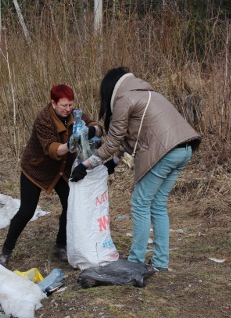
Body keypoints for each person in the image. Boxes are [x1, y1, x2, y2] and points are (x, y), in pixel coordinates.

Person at [70, 67, 201, 271]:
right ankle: (160, 263)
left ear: (110, 88)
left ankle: (135, 261)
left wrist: (85, 166)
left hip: (165, 151)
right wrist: (112, 162)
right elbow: (130, 141)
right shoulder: (146, 93)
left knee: (140, 203)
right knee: (157, 204)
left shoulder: (125, 99)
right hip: (184, 148)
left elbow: (112, 143)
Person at [0, 84, 102, 267]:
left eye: (70, 105)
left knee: (70, 206)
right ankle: (6, 251)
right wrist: (72, 143)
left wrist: (90, 130)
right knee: (27, 211)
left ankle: (60, 245)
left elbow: (97, 127)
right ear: (53, 103)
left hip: (62, 171)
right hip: (37, 169)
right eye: (64, 106)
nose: (68, 109)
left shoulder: (75, 115)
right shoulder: (43, 119)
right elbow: (52, 150)